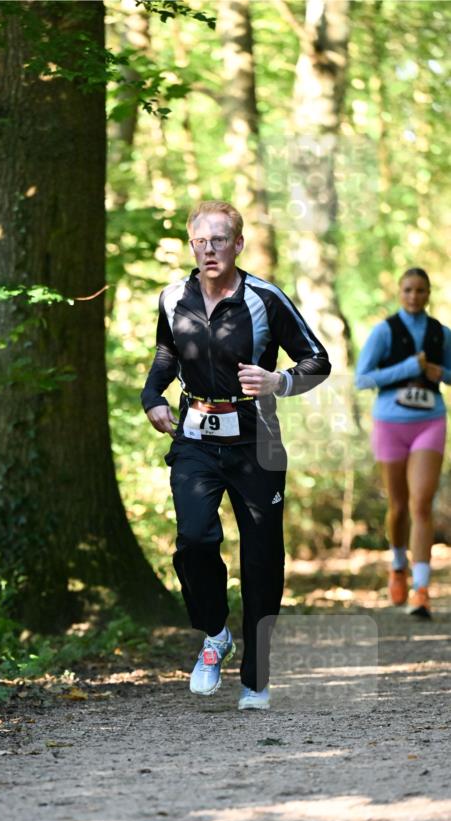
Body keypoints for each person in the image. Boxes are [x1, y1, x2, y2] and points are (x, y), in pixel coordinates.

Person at [141, 200, 331, 709]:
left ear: (238, 244)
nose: (208, 250)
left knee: (262, 558)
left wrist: (279, 381)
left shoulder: (264, 298)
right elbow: (167, 352)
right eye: (200, 241)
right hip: (195, 435)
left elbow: (318, 359)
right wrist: (152, 396)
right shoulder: (173, 296)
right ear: (191, 245)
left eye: (219, 240)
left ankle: (256, 676)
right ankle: (215, 633)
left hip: (257, 439)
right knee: (194, 539)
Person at [355, 268, 451, 618]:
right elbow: (363, 379)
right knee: (398, 505)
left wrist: (442, 374)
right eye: (408, 290)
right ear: (400, 292)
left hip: (430, 422)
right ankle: (398, 565)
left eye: (421, 290)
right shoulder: (384, 331)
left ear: (428, 294)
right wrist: (408, 367)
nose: (414, 296)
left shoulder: (441, 334)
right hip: (390, 423)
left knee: (421, 504)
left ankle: (421, 589)